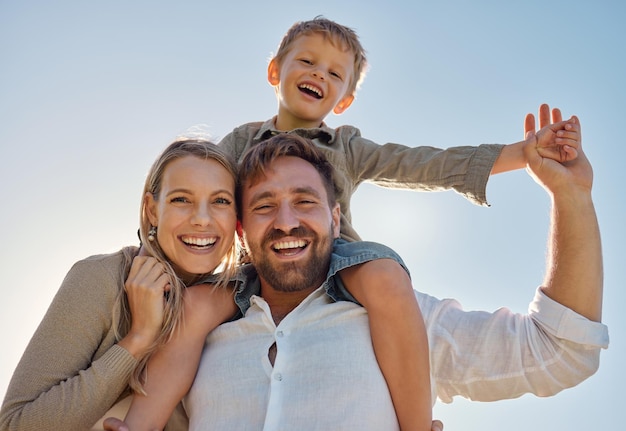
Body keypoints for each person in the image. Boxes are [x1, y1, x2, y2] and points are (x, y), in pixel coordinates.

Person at [106, 122, 606, 430]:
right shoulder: (194, 323)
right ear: (240, 228)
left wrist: (572, 198)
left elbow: (560, 353)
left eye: (305, 201)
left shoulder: (399, 318)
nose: (285, 221)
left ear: (337, 219)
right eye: (263, 206)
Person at [217, 16, 581, 429]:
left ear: (343, 100)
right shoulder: (239, 142)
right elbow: (196, 185)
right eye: (307, 61)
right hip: (253, 264)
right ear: (274, 71)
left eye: (335, 73)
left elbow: (423, 163)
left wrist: (522, 153)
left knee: (387, 277)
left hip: (334, 262)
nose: (319, 73)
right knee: (189, 310)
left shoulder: (346, 146)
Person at [0, 139, 241, 430]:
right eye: (181, 199)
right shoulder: (100, 278)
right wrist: (138, 340)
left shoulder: (241, 301)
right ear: (152, 210)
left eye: (220, 201)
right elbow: (15, 424)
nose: (202, 219)